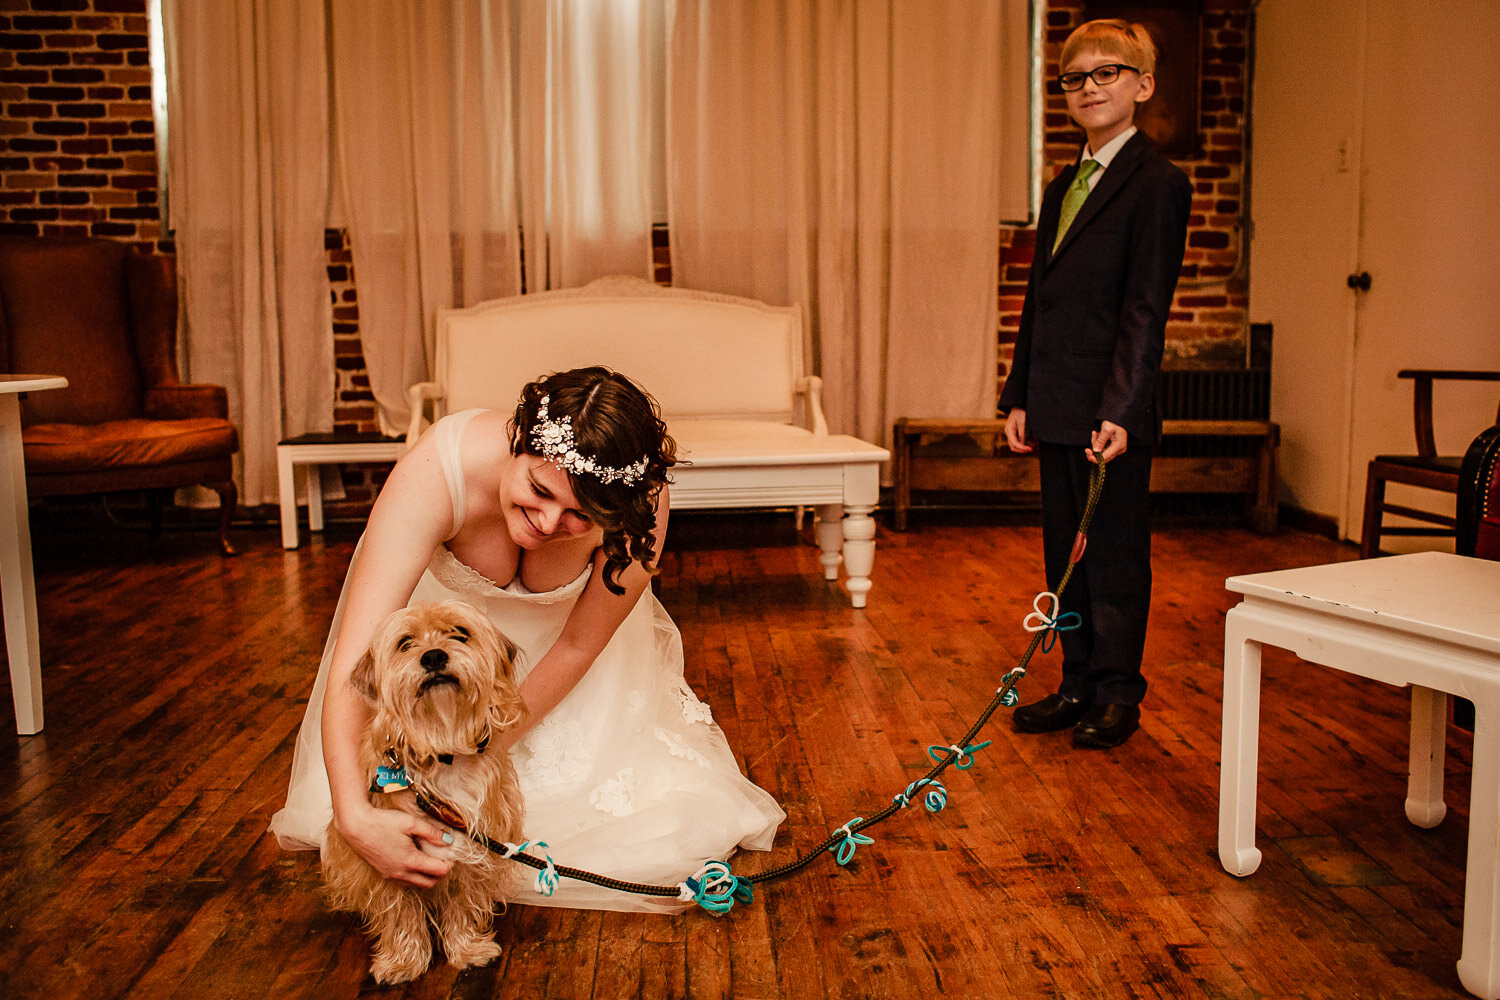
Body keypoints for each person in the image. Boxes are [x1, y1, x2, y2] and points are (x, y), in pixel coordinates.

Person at [270, 366, 785, 911]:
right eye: (538, 489)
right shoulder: (438, 469)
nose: (545, 521)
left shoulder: (639, 507)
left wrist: (487, 747)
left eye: (578, 517)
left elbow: (578, 646)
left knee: (627, 826)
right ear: (518, 438)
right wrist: (354, 815)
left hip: (569, 684)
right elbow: (360, 655)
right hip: (439, 683)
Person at [999, 19, 1192, 749]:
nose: (1088, 88)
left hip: (1111, 410)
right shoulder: (1060, 186)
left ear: (1142, 86)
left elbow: (1147, 310)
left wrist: (1122, 408)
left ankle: (1117, 691)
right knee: (1063, 555)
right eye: (1074, 78)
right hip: (1052, 401)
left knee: (1112, 554)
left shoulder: (1157, 185)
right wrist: (1018, 392)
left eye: (1106, 73)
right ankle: (1075, 680)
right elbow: (1039, 299)